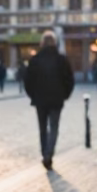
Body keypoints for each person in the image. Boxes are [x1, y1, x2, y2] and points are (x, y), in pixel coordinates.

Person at [23, 30, 75, 170]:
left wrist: (33, 95)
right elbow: (70, 80)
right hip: (56, 100)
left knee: (42, 128)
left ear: (42, 43)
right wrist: (65, 95)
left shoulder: (35, 60)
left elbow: (27, 81)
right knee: (54, 128)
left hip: (40, 101)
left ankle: (44, 153)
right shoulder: (61, 59)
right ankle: (49, 155)